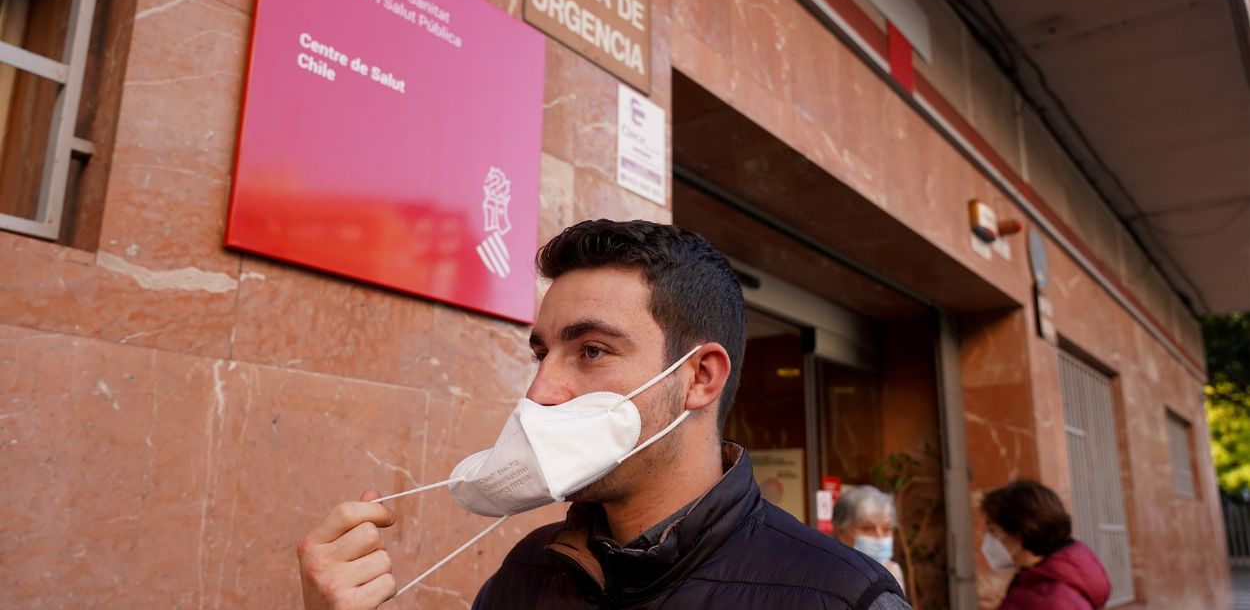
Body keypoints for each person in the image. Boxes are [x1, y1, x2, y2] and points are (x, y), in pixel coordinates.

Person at [297, 219, 910, 609]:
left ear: (700, 378)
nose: (541, 390)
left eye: (591, 351)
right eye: (543, 351)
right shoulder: (529, 572)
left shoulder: (840, 596)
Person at [980, 480, 1111, 610]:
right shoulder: (1038, 581)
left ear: (1018, 535)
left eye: (993, 531)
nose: (988, 539)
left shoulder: (1051, 600)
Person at [833, 485, 906, 592]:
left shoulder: (893, 571)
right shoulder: (828, 574)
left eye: (886, 529)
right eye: (867, 529)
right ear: (841, 532)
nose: (880, 537)